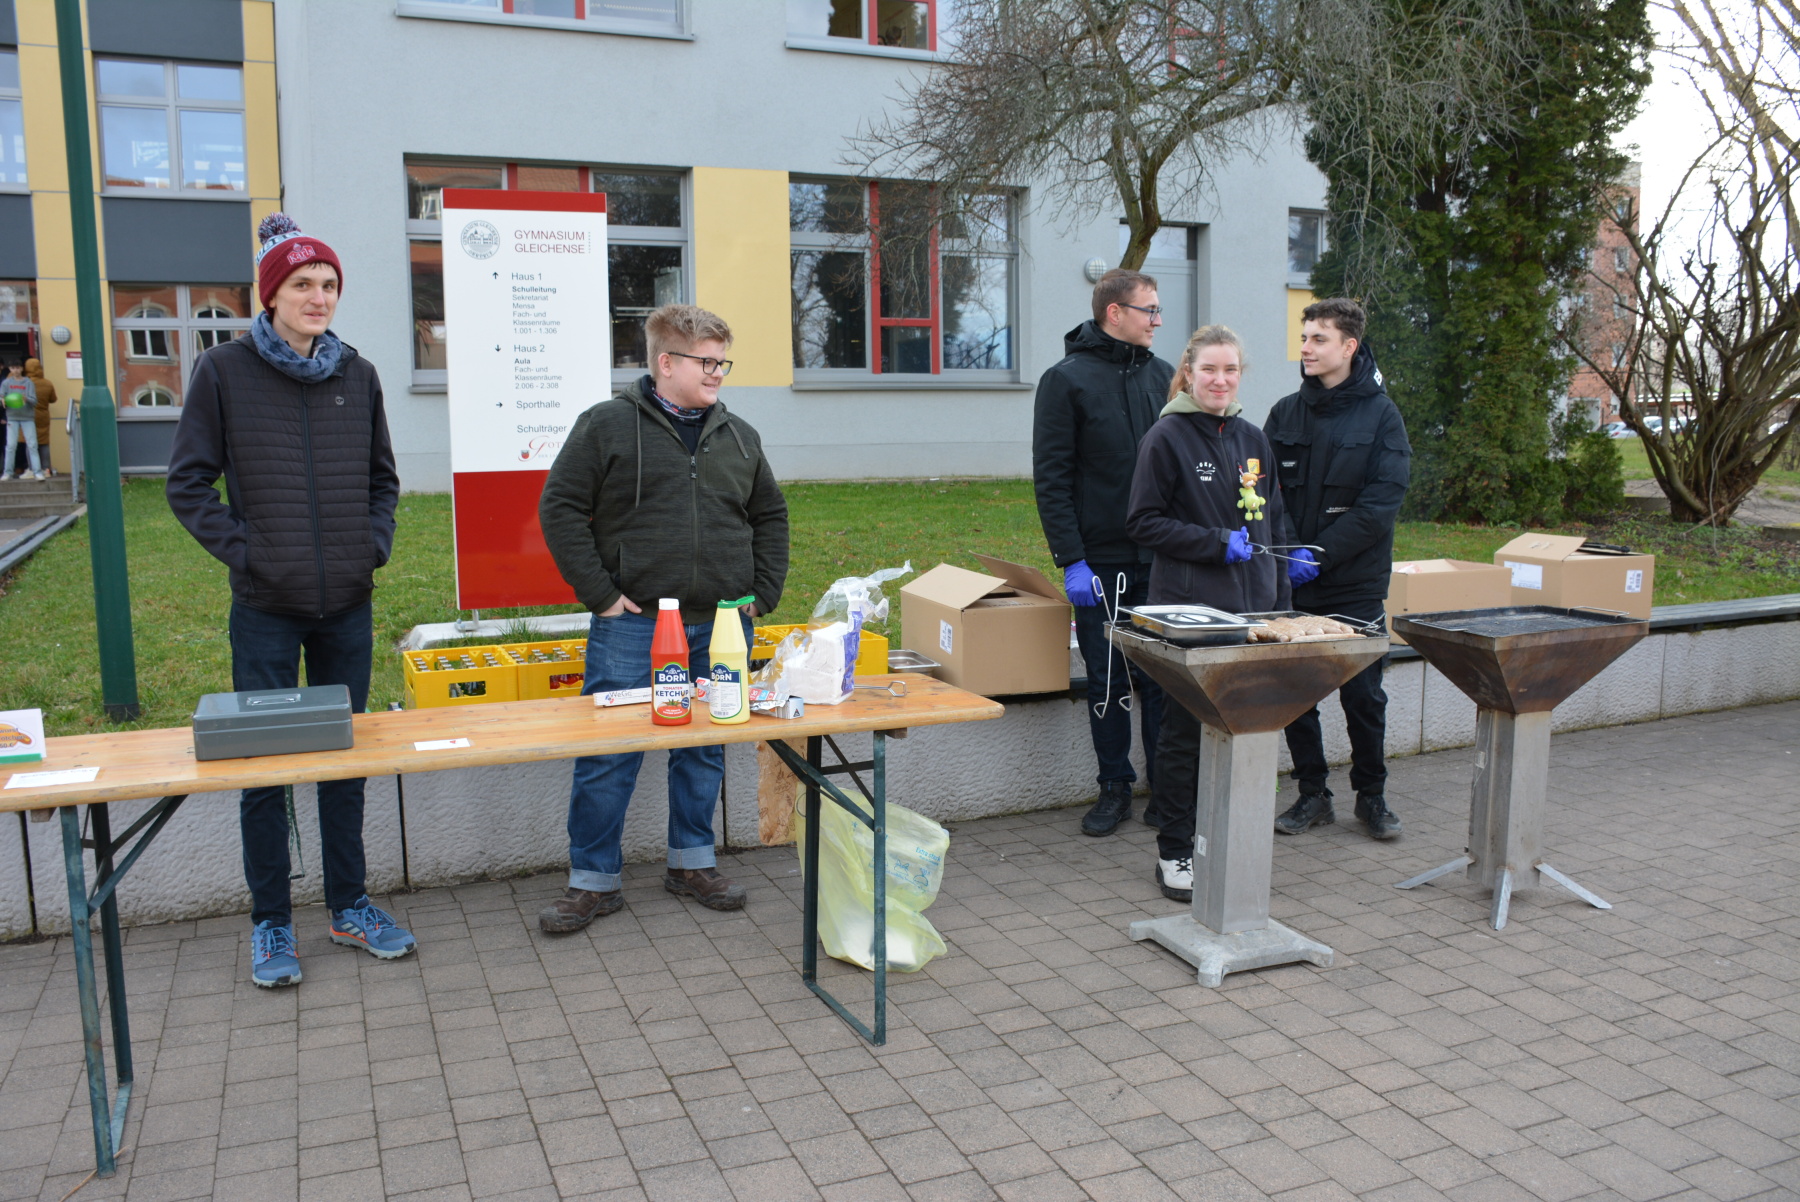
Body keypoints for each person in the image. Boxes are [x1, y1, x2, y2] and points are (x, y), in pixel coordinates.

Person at [167, 212, 412, 988]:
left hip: (347, 604)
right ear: (270, 294)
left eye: (329, 284)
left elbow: (382, 481)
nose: (319, 297)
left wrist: (370, 546)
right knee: (263, 765)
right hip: (266, 608)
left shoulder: (357, 374)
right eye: (303, 283)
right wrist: (252, 555)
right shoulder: (223, 371)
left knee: (344, 761)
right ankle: (271, 920)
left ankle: (349, 905)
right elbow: (187, 484)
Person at [537, 303, 789, 933]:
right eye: (707, 362)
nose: (718, 373)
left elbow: (770, 515)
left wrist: (762, 592)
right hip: (634, 625)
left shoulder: (739, 435)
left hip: (723, 626)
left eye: (723, 362)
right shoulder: (606, 426)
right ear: (666, 362)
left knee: (703, 747)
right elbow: (560, 506)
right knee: (610, 751)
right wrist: (600, 594)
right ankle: (593, 880)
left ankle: (691, 863)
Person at [1126, 326, 1289, 900]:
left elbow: (1274, 519)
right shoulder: (1166, 437)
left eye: (1231, 370)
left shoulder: (1252, 437)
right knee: (1184, 733)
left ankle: (1220, 837)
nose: (1221, 381)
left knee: (1241, 725)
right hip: (1192, 612)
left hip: (1253, 610)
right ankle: (1174, 852)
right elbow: (1142, 522)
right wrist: (1214, 543)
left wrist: (1280, 597)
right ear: (1189, 374)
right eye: (1210, 370)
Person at [1264, 298, 1411, 840]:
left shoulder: (1382, 416)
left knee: (1363, 696)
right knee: (1297, 696)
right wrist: (1289, 553)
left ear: (1349, 346)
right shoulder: (1284, 413)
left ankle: (1372, 796)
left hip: (1354, 584)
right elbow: (1264, 493)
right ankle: (1313, 795)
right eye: (1304, 337)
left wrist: (1320, 554)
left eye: (1318, 338)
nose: (1305, 348)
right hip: (1292, 583)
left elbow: (1380, 505)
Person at [1033, 268, 1170, 837]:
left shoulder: (1165, 376)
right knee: (1109, 679)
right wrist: (1073, 559)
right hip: (1101, 564)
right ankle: (1114, 787)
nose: (1158, 320)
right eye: (1149, 310)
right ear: (1115, 313)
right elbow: (1052, 477)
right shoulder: (1065, 380)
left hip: (1162, 559)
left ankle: (1167, 789)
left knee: (1165, 678)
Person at [2, 360, 42, 480]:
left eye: (18, 368)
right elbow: (1, 396)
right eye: (13, 368)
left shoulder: (28, 382)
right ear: (10, 369)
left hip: (27, 417)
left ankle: (37, 472)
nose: (16, 370)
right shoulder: (6, 383)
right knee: (10, 446)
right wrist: (2, 400)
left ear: (22, 369)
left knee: (32, 445)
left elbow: (34, 401)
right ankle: (7, 472)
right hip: (12, 417)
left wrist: (27, 399)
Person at [26, 359, 56, 477]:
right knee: (44, 442)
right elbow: (53, 399)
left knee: (30, 443)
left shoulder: (26, 382)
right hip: (44, 415)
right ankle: (46, 468)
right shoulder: (47, 383)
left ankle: (32, 469)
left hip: (29, 415)